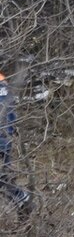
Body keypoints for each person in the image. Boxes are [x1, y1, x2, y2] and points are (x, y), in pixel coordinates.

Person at [0, 71, 34, 218]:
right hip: (5, 140)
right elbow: (12, 116)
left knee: (3, 179)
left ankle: (22, 199)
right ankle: (23, 200)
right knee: (4, 178)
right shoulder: (5, 87)